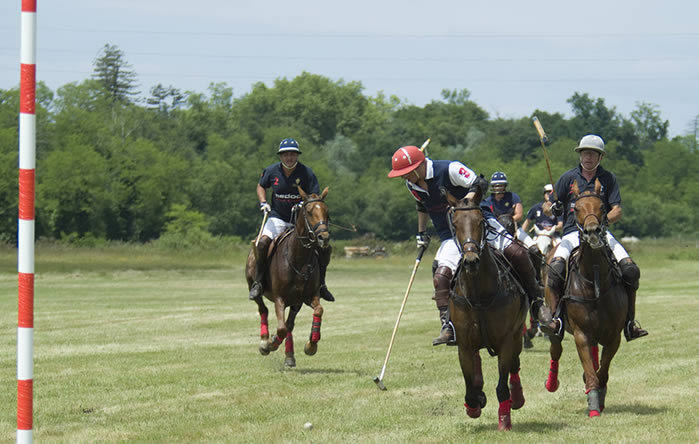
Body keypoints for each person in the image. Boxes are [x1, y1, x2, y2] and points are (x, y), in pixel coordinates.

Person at [387, 145, 544, 346]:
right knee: (441, 275)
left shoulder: (449, 169)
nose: (404, 178)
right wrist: (421, 232)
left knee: (518, 252)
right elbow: (422, 206)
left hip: (480, 224)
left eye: (406, 173)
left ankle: (537, 304)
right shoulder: (412, 185)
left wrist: (465, 204)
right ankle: (448, 325)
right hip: (450, 235)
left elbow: (479, 183)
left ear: (418, 167)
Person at [538, 135, 648, 341]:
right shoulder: (567, 178)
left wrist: (602, 221)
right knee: (555, 270)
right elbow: (547, 207)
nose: (588, 157)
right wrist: (553, 207)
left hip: (601, 232)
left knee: (631, 270)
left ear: (600, 156)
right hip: (572, 233)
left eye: (592, 153)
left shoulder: (608, 178)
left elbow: (618, 210)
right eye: (585, 153)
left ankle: (630, 322)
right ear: (580, 154)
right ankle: (556, 319)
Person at [248, 138, 334, 302]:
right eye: (285, 154)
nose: (289, 157)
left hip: (301, 223)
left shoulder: (307, 173)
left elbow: (315, 197)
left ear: (297, 156)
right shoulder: (272, 171)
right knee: (262, 244)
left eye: (292, 154)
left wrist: (306, 202)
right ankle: (258, 283)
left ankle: (321, 285)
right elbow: (261, 186)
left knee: (324, 248)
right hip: (277, 218)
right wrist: (263, 202)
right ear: (281, 156)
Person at [482, 172, 539, 258]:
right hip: (496, 231)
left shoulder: (513, 197)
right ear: (492, 186)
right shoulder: (487, 201)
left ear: (505, 186)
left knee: (534, 249)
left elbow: (519, 215)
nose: (498, 188)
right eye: (496, 185)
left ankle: (537, 271)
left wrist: (505, 221)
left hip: (515, 229)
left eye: (501, 185)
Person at [521, 183, 563, 251]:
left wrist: (551, 228)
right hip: (538, 236)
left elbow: (560, 226)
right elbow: (527, 222)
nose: (549, 195)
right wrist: (521, 234)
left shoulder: (558, 208)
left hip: (553, 236)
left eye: (551, 193)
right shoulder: (536, 207)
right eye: (547, 193)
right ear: (544, 194)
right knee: (525, 250)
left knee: (561, 250)